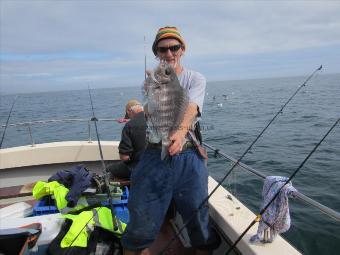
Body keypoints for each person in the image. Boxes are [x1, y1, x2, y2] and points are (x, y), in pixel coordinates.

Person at [121, 27, 220, 254]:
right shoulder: (151, 81)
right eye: (163, 49)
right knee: (140, 221)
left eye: (174, 47)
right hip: (155, 154)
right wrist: (148, 95)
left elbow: (193, 108)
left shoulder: (195, 78)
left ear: (182, 49)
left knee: (199, 221)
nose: (169, 53)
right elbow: (150, 110)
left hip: (188, 156)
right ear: (157, 52)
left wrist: (180, 131)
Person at [106, 99, 146, 179]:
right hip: (158, 166)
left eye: (129, 116)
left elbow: (124, 157)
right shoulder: (156, 120)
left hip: (138, 168)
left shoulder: (129, 126)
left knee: (108, 169)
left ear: (129, 111)